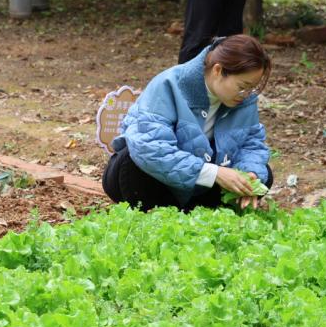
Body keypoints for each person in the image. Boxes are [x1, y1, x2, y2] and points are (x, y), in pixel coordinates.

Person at [102, 34, 273, 211]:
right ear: (218, 70)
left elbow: (251, 144)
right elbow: (150, 147)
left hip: (199, 185)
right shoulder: (169, 84)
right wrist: (214, 174)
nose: (246, 94)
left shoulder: (244, 100)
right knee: (133, 162)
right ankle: (173, 209)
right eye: (242, 86)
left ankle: (194, 210)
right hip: (155, 181)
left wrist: (249, 175)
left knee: (264, 173)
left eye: (251, 88)